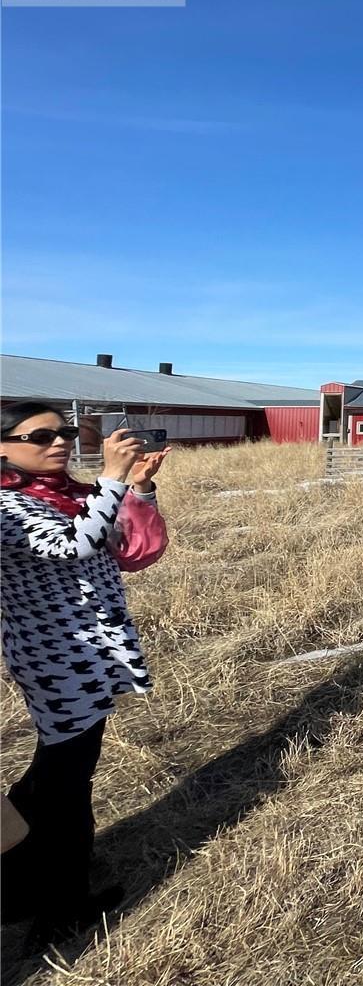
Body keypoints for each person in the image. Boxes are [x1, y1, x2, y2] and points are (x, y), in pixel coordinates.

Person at [0, 400, 168, 942]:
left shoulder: (69, 494)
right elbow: (71, 547)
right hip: (55, 657)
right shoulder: (6, 504)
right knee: (65, 778)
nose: (59, 442)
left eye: (65, 432)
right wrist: (112, 478)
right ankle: (57, 904)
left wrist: (137, 487)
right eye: (40, 435)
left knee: (64, 768)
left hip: (91, 651)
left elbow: (126, 551)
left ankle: (34, 878)